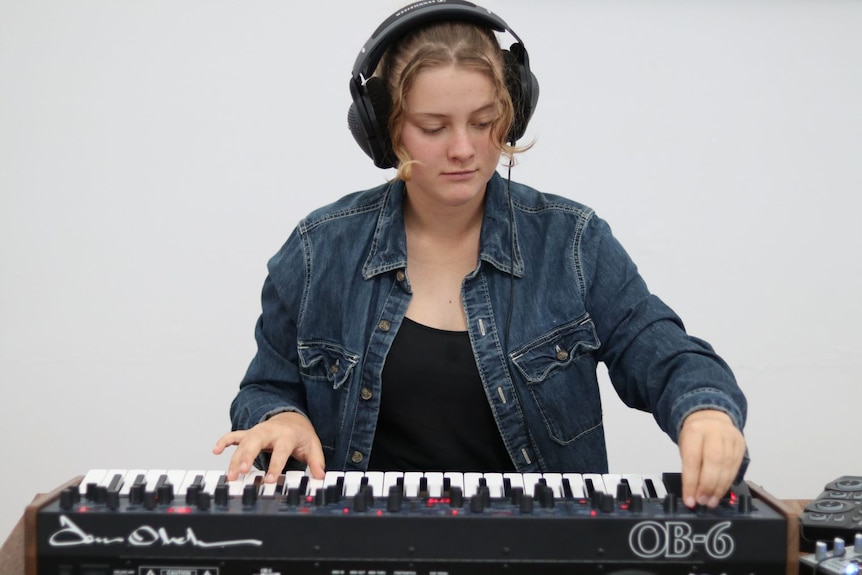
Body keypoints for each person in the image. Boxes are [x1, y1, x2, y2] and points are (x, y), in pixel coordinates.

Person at [213, 0, 748, 510]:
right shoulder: (318, 250)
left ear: (511, 113)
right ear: (384, 128)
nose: (464, 148)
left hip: (539, 553)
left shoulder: (573, 243)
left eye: (483, 119)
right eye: (433, 127)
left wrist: (704, 411)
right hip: (363, 549)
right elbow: (266, 385)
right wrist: (281, 417)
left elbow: (664, 352)